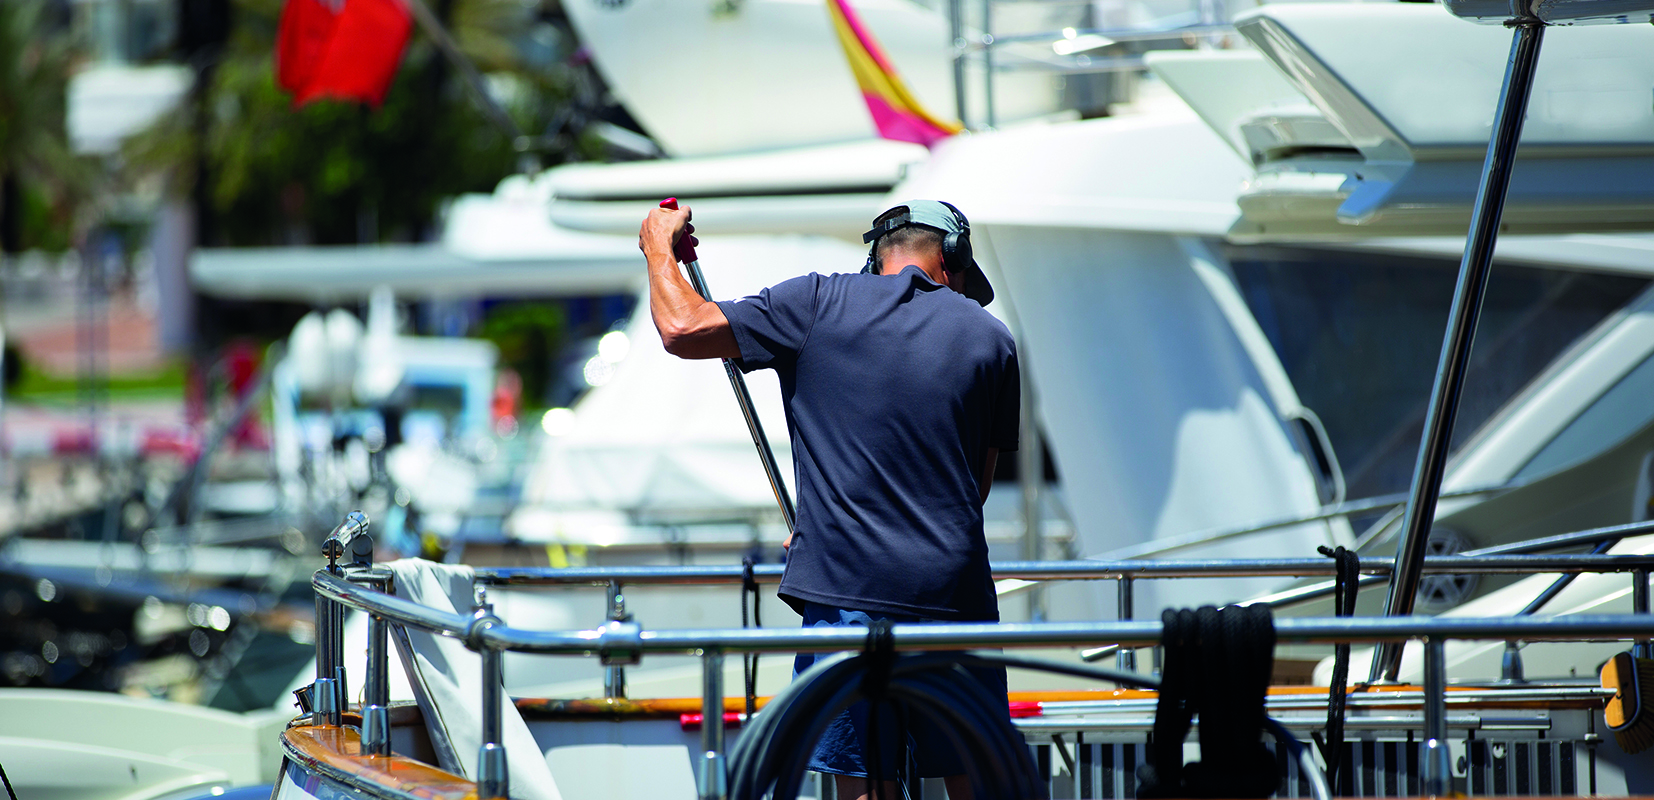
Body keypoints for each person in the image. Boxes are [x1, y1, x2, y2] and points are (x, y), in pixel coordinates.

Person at [639, 200, 1019, 800]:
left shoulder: (815, 302)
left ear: (877, 256)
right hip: (954, 596)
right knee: (978, 781)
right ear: (951, 260)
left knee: (865, 789)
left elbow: (682, 328)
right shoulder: (992, 339)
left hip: (845, 591)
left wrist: (659, 246)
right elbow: (975, 487)